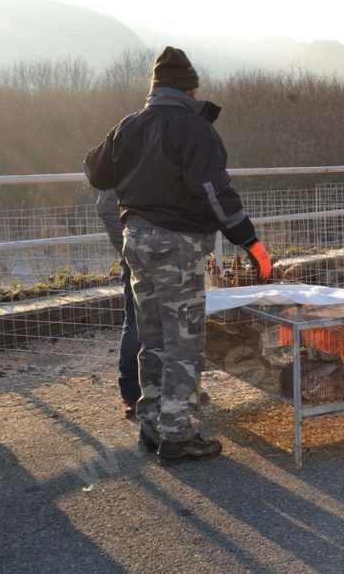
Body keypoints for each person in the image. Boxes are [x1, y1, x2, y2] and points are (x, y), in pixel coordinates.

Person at [85, 46, 273, 465]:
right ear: (191, 88)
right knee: (184, 340)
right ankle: (177, 434)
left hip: (136, 240)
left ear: (154, 89)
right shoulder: (192, 128)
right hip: (177, 244)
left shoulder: (129, 126)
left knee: (152, 337)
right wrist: (252, 243)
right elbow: (216, 194)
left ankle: (152, 424)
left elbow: (95, 170)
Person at [96, 189, 141, 418]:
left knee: (169, 322)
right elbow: (107, 207)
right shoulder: (122, 155)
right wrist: (126, 248)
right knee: (135, 322)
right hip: (137, 255)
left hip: (167, 253)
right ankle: (132, 393)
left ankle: (170, 389)